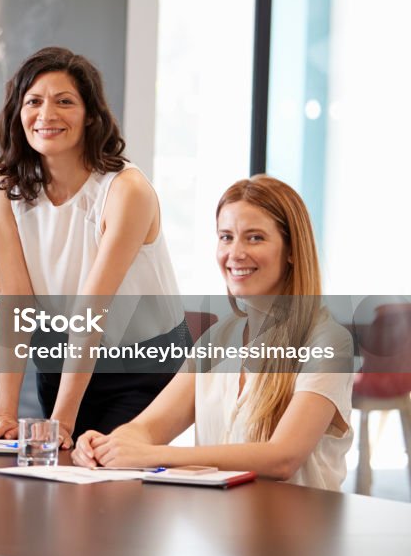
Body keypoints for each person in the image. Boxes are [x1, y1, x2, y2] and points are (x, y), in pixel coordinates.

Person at [72, 175, 354, 490]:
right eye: (226, 237)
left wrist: (152, 455)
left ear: (291, 249)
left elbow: (282, 458)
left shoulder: (328, 342)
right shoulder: (217, 339)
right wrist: (108, 444)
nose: (235, 252)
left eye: (255, 237)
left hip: (298, 534)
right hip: (220, 529)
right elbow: (147, 428)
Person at [0, 47, 188, 448]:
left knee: (103, 472)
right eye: (33, 101)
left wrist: (61, 423)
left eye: (64, 101)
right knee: (61, 484)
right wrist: (4, 411)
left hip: (140, 364)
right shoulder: (6, 187)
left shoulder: (126, 190)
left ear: (90, 115)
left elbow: (93, 307)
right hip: (62, 358)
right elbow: (17, 300)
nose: (46, 115)